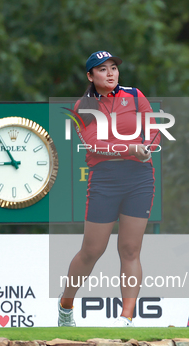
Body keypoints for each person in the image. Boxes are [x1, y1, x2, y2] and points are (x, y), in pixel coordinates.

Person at [58, 50, 159, 327]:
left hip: (140, 178)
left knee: (130, 249)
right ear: (90, 76)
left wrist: (147, 147)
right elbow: (94, 145)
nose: (111, 73)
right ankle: (66, 305)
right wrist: (130, 148)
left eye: (113, 67)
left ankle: (126, 318)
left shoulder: (136, 96)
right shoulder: (83, 107)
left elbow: (153, 129)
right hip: (104, 179)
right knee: (92, 251)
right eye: (102, 69)